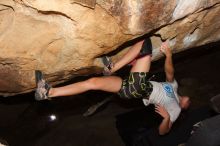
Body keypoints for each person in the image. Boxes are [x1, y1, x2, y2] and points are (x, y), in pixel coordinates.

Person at [35, 38, 190, 135]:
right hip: (130, 90)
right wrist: (168, 56)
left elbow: (163, 132)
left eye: (189, 104)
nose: (190, 101)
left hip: (140, 90)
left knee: (144, 43)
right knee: (93, 83)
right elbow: (170, 72)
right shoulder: (174, 87)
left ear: (184, 107)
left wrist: (167, 117)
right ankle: (49, 92)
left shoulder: (175, 108)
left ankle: (112, 67)